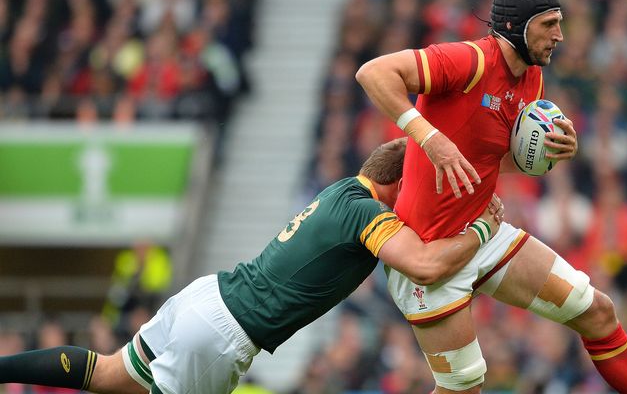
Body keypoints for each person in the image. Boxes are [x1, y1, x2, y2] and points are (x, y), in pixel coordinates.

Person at [0, 138, 504, 394]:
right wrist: (481, 228)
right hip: (225, 334)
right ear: (397, 185)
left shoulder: (338, 193)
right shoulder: (364, 210)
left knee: (109, 375)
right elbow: (423, 265)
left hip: (205, 297)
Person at [356, 0, 627, 393]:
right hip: (428, 254)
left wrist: (551, 151)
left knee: (599, 313)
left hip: (484, 235)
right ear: (517, 25)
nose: (560, 35)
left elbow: (487, 159)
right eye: (550, 24)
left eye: (561, 23)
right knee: (464, 387)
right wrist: (429, 137)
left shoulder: (531, 80)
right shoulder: (469, 60)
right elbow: (372, 73)